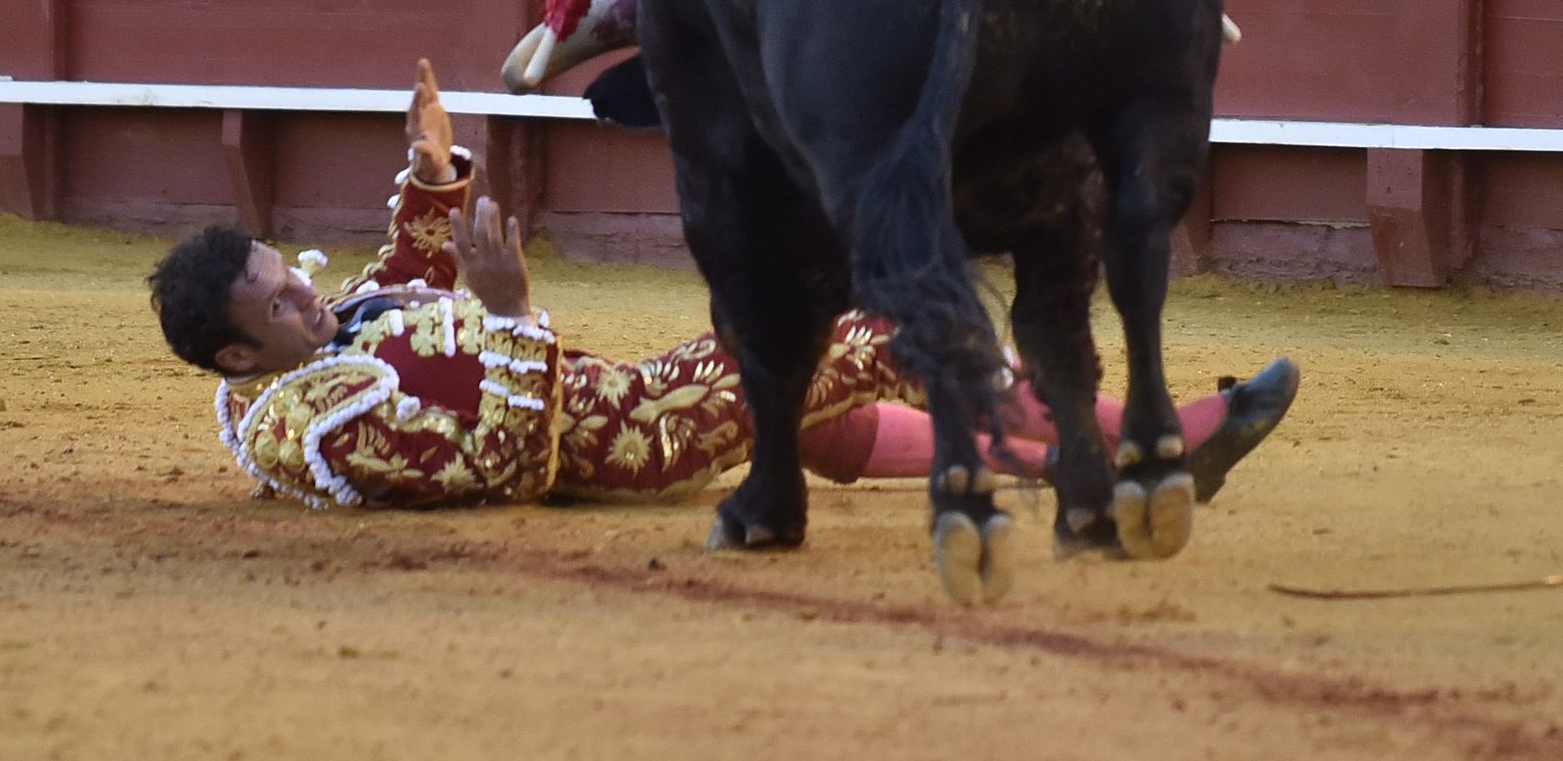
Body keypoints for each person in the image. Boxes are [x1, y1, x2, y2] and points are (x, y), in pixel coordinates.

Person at [148, 60, 1298, 511]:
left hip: (614, 395)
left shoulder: (320, 344)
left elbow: (395, 283)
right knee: (886, 324)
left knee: (824, 424)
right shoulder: (317, 424)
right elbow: (501, 473)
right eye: (278, 303)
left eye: (283, 274)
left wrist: (437, 174)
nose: (305, 294)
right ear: (240, 357)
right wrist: (504, 316)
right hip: (622, 435)